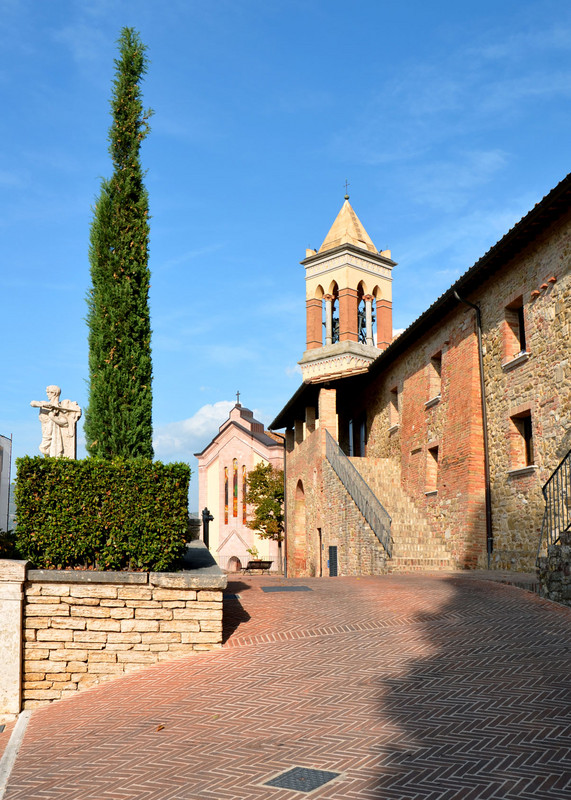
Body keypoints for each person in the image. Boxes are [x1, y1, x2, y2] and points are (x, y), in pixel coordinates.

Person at [30, 386, 81, 458]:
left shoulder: (62, 406)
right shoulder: (44, 404)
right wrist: (43, 405)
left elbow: (66, 422)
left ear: (54, 393)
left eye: (48, 392)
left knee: (47, 450)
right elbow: (32, 403)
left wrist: (53, 417)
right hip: (46, 432)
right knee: (43, 449)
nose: (47, 394)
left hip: (54, 433)